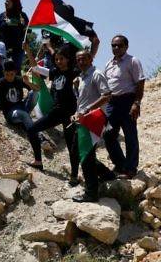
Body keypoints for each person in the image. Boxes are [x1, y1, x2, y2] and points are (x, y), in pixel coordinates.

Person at [24, 43, 79, 181]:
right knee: (31, 129)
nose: (59, 61)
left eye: (62, 59)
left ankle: (74, 175)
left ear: (68, 59)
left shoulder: (73, 72)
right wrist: (28, 50)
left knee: (72, 146)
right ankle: (38, 161)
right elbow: (36, 68)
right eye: (57, 59)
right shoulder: (55, 72)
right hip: (56, 112)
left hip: (70, 114)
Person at [71, 49, 115, 202]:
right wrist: (77, 113)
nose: (81, 62)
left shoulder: (96, 74)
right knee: (79, 152)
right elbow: (83, 101)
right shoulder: (82, 77)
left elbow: (107, 95)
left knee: (86, 156)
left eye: (84, 59)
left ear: (91, 59)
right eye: (78, 59)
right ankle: (106, 174)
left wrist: (87, 110)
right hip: (83, 120)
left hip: (93, 119)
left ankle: (91, 193)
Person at [103, 34, 145, 178]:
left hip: (128, 101)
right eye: (113, 45)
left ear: (126, 46)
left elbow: (140, 82)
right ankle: (121, 165)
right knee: (108, 134)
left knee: (130, 135)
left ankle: (131, 169)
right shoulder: (108, 64)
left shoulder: (133, 61)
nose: (116, 48)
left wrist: (136, 103)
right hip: (112, 103)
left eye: (119, 45)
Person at [0, 60, 40, 130]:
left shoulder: (19, 79)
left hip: (22, 106)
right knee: (23, 114)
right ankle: (35, 133)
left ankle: (26, 118)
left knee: (35, 93)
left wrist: (28, 82)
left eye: (12, 74)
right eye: (7, 74)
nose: (9, 77)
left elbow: (37, 89)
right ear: (3, 73)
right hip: (10, 113)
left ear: (15, 72)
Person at [0, 0, 29, 68]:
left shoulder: (22, 16)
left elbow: (28, 31)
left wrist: (23, 25)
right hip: (3, 49)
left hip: (17, 50)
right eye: (5, 1)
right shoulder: (2, 16)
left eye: (7, 1)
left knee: (15, 70)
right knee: (2, 69)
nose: (5, 3)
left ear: (14, 3)